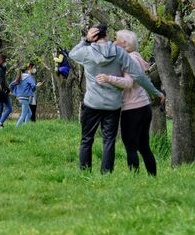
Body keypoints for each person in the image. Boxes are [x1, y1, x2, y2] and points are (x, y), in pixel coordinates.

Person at [69, 24, 164, 174]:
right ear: (106, 34)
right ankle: (106, 173)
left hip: (92, 102)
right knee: (109, 141)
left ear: (94, 35)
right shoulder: (119, 52)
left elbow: (72, 54)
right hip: (112, 105)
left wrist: (85, 40)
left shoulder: (86, 52)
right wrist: (154, 91)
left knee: (87, 139)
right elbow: (138, 75)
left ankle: (85, 173)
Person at [96, 30, 157, 176]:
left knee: (131, 146)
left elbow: (129, 83)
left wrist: (108, 78)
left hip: (133, 108)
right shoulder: (136, 57)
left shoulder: (131, 59)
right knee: (143, 146)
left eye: (116, 39)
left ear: (124, 43)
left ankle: (134, 179)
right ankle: (152, 178)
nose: (114, 41)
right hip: (143, 107)